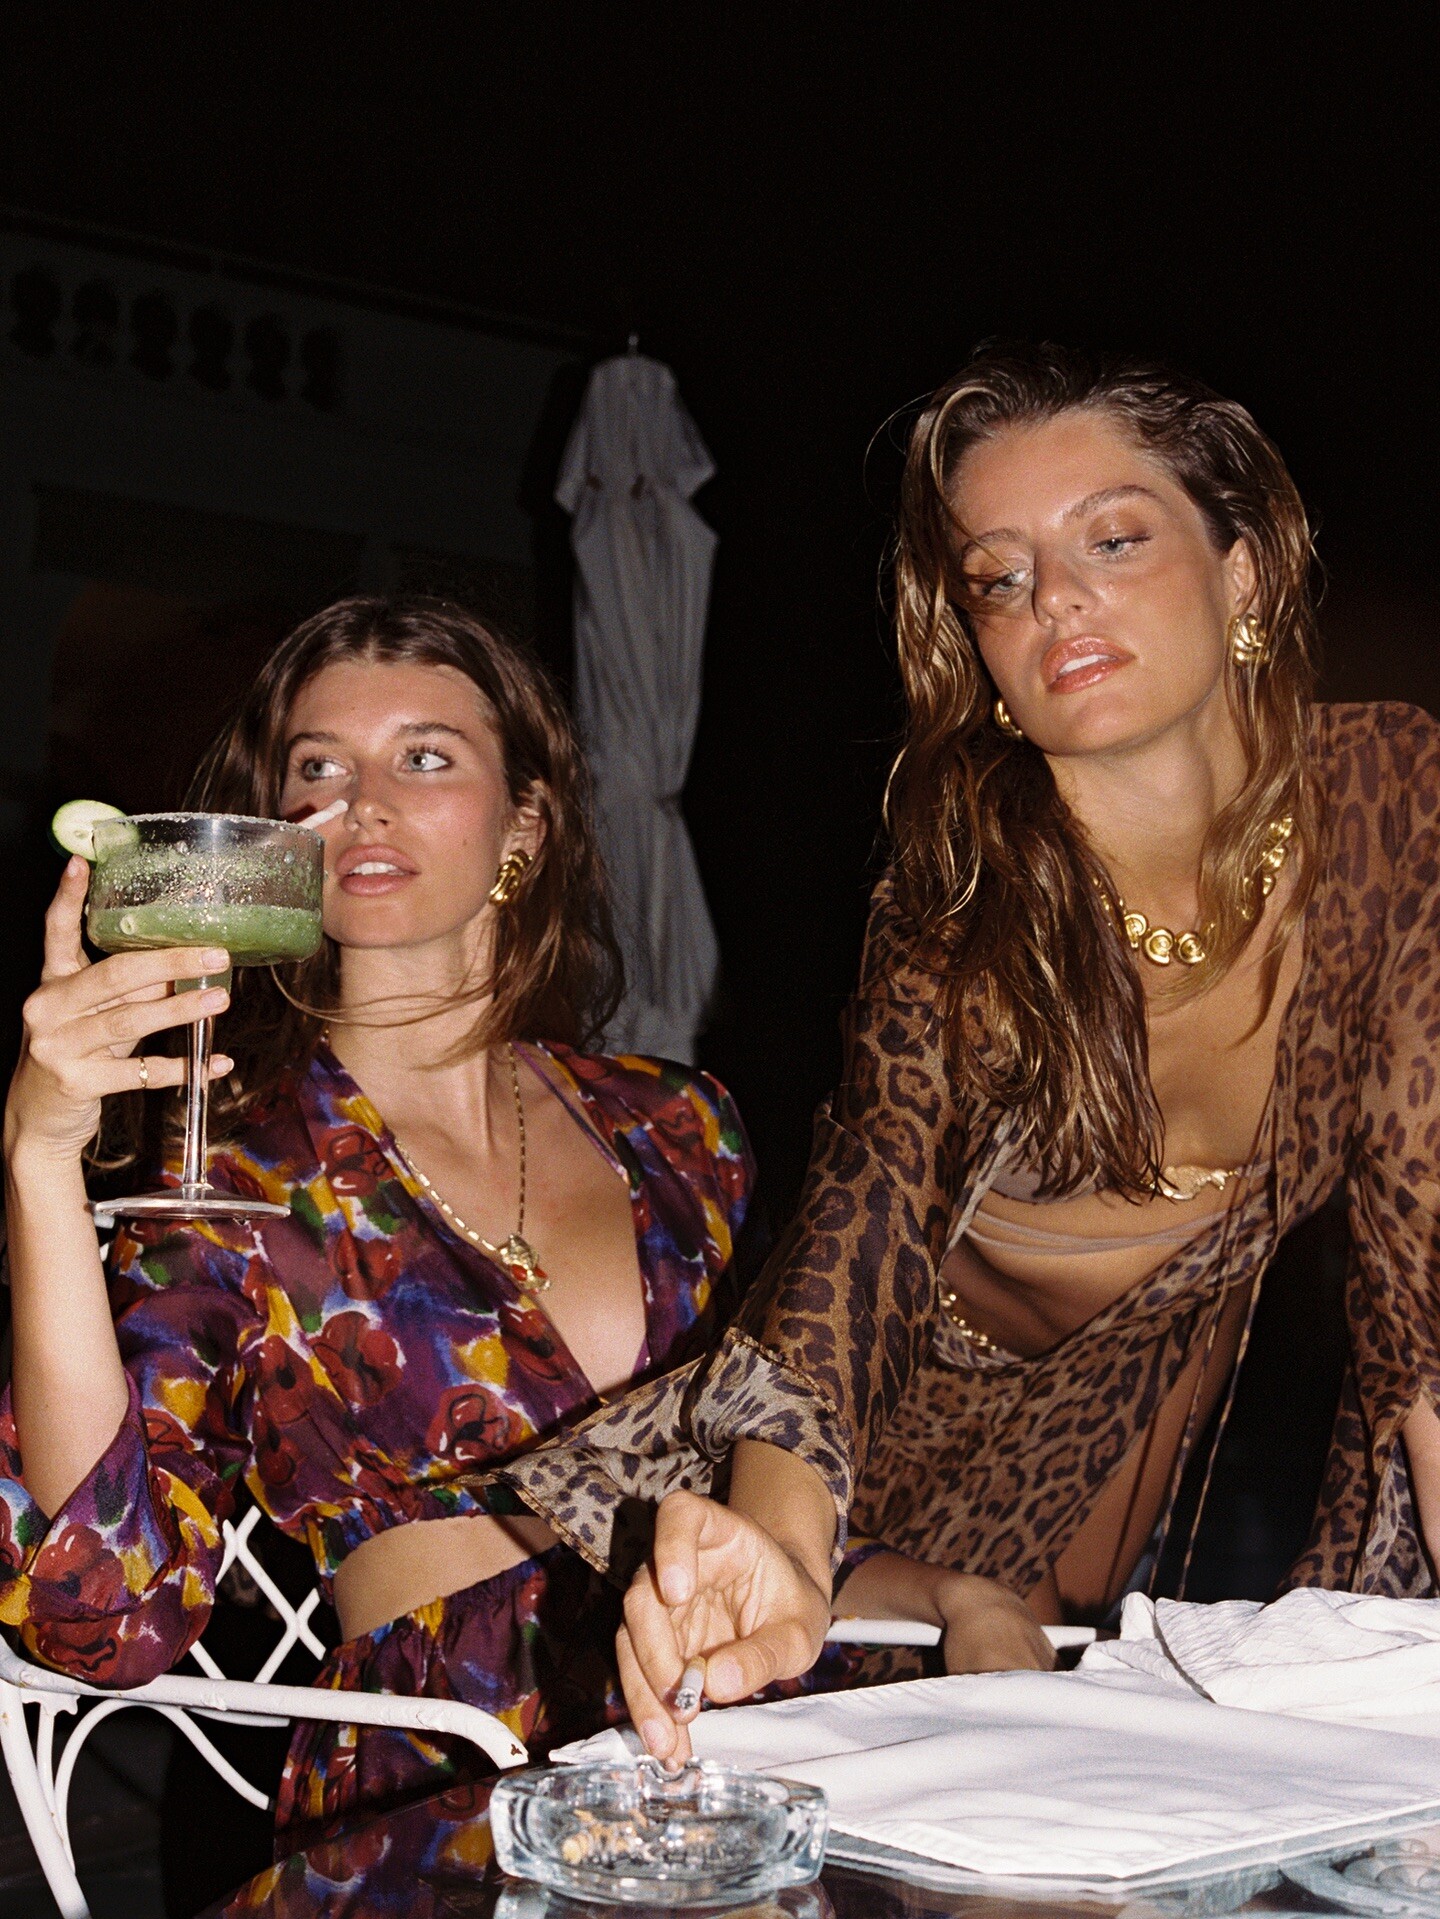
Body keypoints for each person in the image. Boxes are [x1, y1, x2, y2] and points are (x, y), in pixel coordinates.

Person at [489, 343, 1440, 1764]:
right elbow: (866, 1215)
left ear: (1243, 573)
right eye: (998, 576)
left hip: (1114, 1403)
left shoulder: (1392, 803)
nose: (1053, 596)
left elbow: (1424, 1270)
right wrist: (787, 1537)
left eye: (1113, 539)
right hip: (872, 1428)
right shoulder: (965, 904)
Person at [0, 596, 771, 1846]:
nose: (361, 802)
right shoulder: (239, 1177)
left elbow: (781, 1458)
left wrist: (942, 1590)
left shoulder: (683, 1128)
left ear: (525, 824)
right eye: (319, 768)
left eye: (423, 757)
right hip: (449, 1772)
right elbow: (106, 1614)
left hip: (744, 1730)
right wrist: (39, 1158)